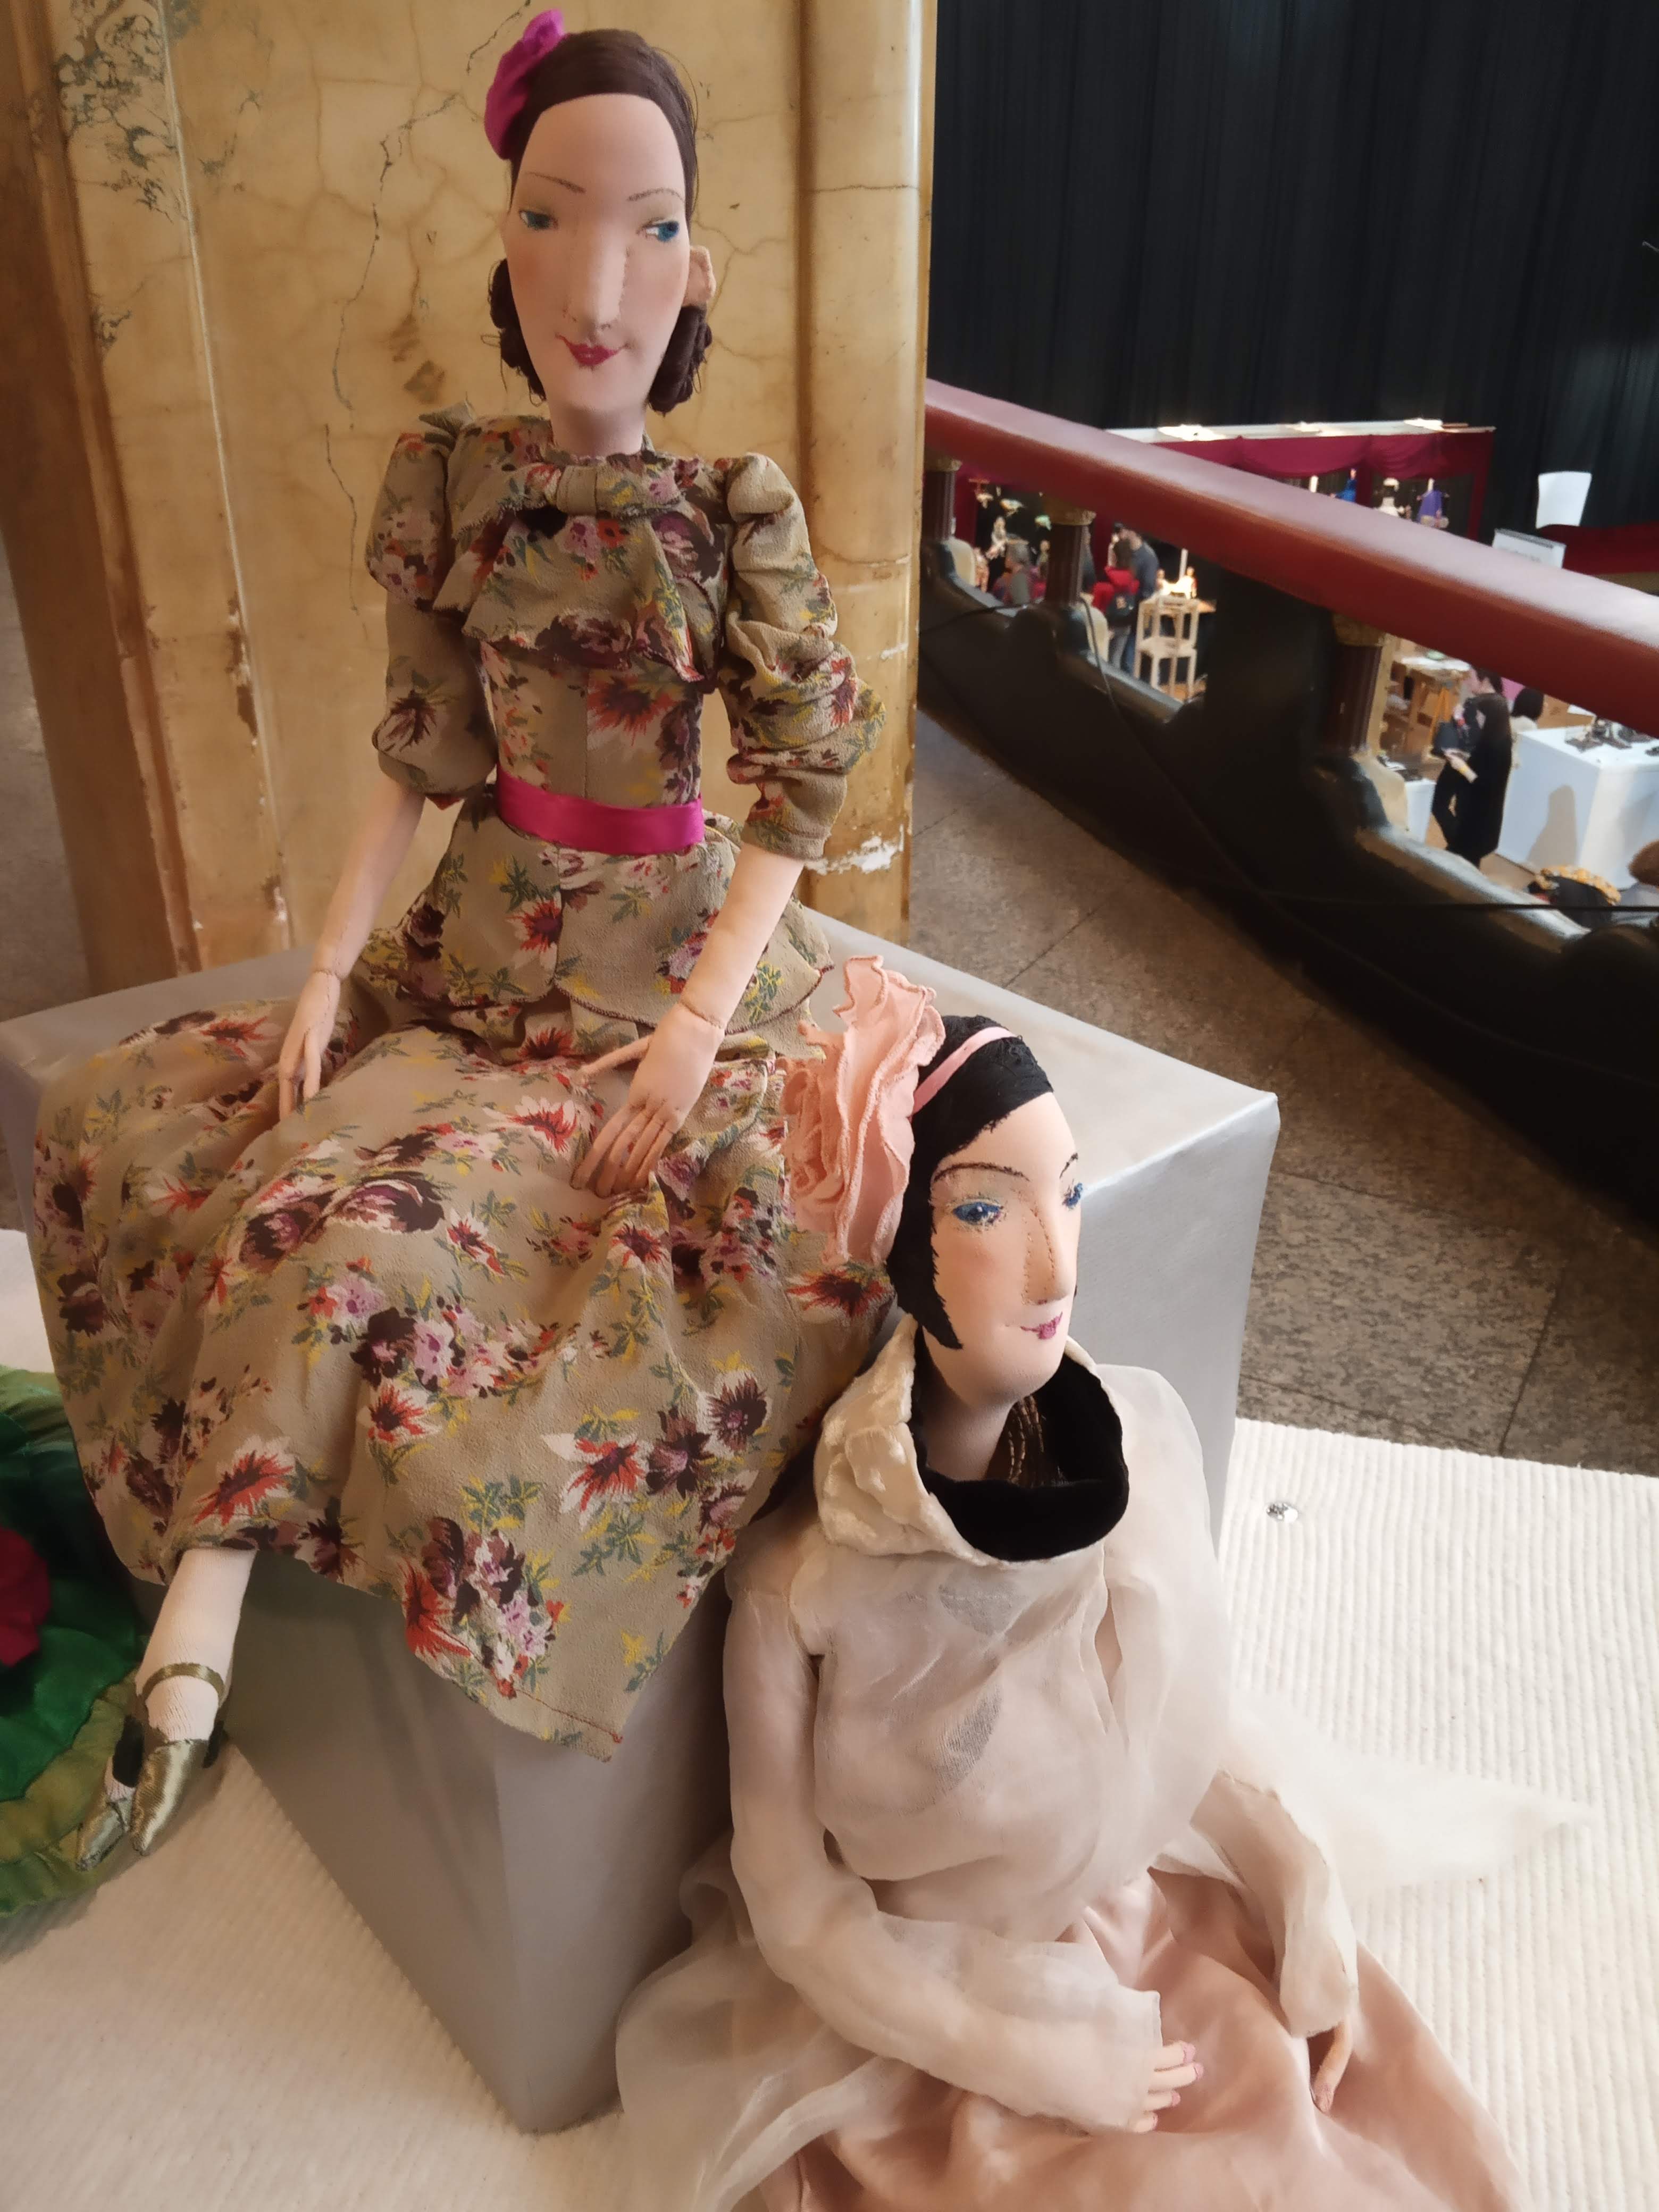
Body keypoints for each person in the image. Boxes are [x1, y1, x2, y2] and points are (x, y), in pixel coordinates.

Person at [44, 15, 890, 1869]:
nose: (599, 288)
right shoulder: (454, 484)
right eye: (553, 220)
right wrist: (327, 970)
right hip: (471, 952)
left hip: (658, 974)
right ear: (503, 245)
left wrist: (696, 1029)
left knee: (397, 1235)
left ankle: (209, 1611)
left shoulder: (729, 518)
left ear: (696, 267)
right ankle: (202, 1597)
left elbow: (804, 784)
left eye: (648, 231)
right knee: (172, 1133)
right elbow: (419, 761)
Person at [616, 958, 1553, 2211]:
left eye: (1068, 1194)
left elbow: (1166, 1703)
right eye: (988, 1211)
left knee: (1334, 2138)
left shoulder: (1126, 1446)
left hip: (1129, 1918)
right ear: (902, 1240)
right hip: (936, 2004)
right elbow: (795, 1908)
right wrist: (1019, 2049)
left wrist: (1294, 1873)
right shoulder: (802, 1586)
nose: (1057, 1267)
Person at [1429, 670, 1513, 868]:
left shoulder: (1498, 747)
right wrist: (1463, 758)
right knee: (1462, 862)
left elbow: (1486, 783)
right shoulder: (1493, 741)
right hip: (1475, 820)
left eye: (1481, 717)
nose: (1478, 719)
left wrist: (1462, 767)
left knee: (1461, 863)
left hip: (1479, 822)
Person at [1108, 526, 1160, 671]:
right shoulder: (1126, 552)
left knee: (1127, 661)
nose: (1121, 533)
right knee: (1115, 658)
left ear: (1135, 532)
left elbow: (1147, 592)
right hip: (1122, 616)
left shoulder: (1148, 557)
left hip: (1137, 618)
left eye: (1125, 530)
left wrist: (1127, 598)